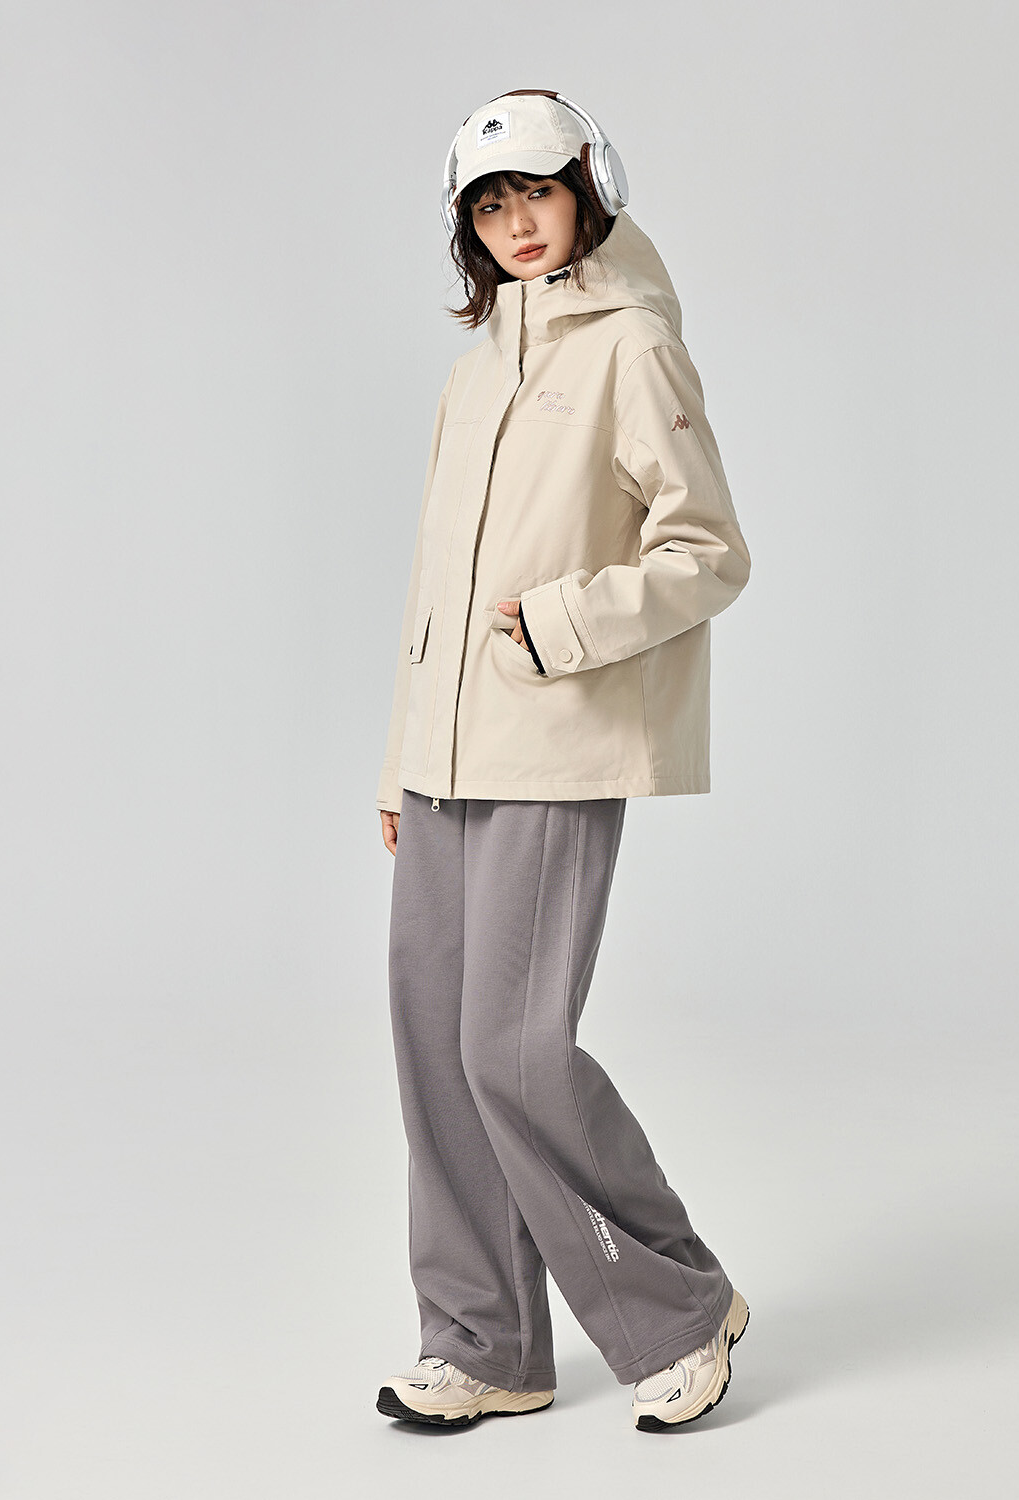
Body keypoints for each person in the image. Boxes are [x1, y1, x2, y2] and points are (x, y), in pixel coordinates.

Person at [374, 89, 753, 1433]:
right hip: (444, 758)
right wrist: (398, 762)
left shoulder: (633, 346)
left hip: (557, 739)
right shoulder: (475, 376)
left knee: (514, 1053)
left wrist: (561, 625)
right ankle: (486, 1343)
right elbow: (434, 587)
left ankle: (679, 1309)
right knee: (437, 1050)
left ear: (589, 188)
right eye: (490, 205)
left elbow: (709, 553)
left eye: (535, 192)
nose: (517, 223)